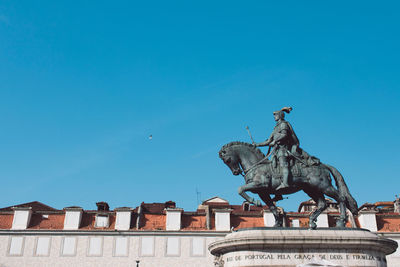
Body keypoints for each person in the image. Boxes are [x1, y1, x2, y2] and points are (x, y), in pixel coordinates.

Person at [255, 107, 299, 191]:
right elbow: (268, 141)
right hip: (276, 150)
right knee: (273, 168)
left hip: (283, 149)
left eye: (276, 115)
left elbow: (284, 135)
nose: (274, 117)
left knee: (283, 164)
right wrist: (257, 145)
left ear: (280, 116)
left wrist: (275, 141)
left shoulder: (283, 124)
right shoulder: (275, 128)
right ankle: (278, 193)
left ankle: (285, 183)